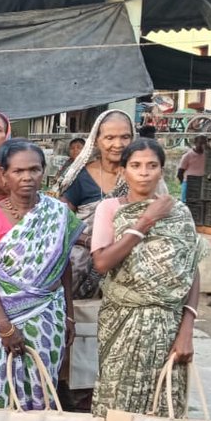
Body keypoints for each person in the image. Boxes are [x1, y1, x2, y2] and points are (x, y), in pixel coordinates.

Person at [91, 138, 205, 418]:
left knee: (163, 404)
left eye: (152, 166)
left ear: (162, 171)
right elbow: (102, 262)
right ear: (123, 171)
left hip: (169, 324)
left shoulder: (179, 213)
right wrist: (145, 222)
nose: (144, 172)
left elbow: (191, 270)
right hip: (123, 319)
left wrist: (187, 330)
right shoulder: (110, 209)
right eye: (136, 165)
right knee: (116, 404)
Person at [0, 139, 82, 410]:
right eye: (18, 171)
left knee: (43, 384)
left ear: (43, 172)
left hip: (49, 314)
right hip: (0, 318)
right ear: (3, 174)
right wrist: (5, 327)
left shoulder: (58, 213)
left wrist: (68, 313)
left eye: (34, 170)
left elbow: (62, 265)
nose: (27, 177)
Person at [58, 110, 135, 300]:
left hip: (131, 248)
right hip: (87, 251)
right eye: (110, 137)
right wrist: (90, 242)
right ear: (97, 140)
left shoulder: (141, 174)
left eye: (125, 137)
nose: (118, 144)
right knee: (74, 263)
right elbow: (60, 220)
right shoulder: (81, 176)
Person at [177, 135, 208, 201]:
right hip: (188, 183)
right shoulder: (188, 156)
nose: (203, 145)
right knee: (186, 202)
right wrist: (183, 183)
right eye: (200, 143)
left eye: (204, 143)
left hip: (201, 183)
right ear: (195, 143)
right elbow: (180, 172)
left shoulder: (206, 155)